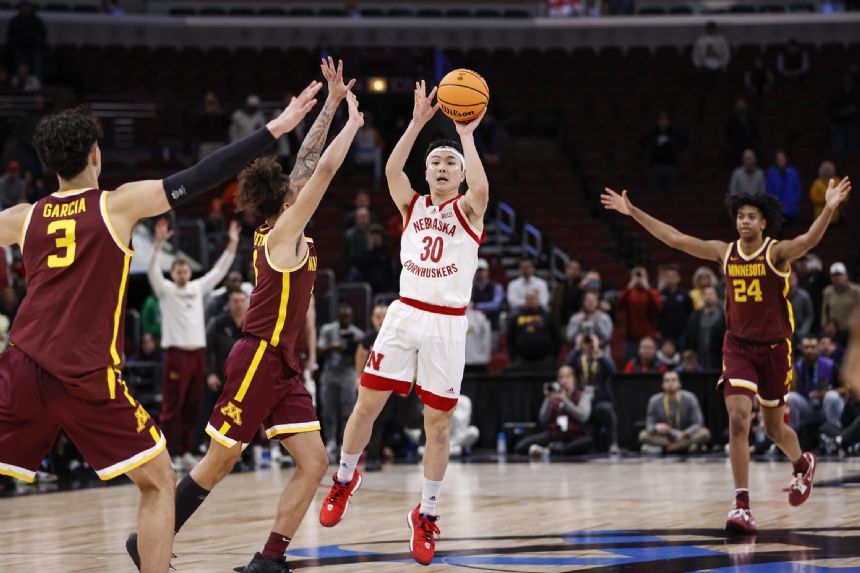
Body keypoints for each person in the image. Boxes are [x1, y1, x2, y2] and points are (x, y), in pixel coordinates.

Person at [0, 79, 319, 573]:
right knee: (159, 481)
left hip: (20, 364)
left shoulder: (24, 217)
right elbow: (202, 174)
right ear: (95, 156)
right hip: (83, 373)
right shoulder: (117, 204)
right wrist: (274, 129)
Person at [126, 68, 360, 573]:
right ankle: (147, 541)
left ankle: (269, 560)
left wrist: (333, 103)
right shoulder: (283, 235)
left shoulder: (284, 219)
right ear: (287, 199)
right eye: (294, 187)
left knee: (315, 461)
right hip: (257, 356)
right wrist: (354, 125)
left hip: (282, 365)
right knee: (220, 460)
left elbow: (307, 160)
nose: (299, 186)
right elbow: (322, 172)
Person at [602, 174, 851, 534]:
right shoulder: (725, 251)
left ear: (763, 222)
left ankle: (803, 462)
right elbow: (675, 239)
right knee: (737, 420)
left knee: (775, 429)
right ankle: (742, 506)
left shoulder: (776, 252)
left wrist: (828, 208)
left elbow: (809, 240)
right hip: (738, 347)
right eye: (740, 216)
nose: (745, 221)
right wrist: (633, 211)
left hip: (775, 350)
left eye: (751, 216)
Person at [321, 80, 490, 566]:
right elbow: (393, 169)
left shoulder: (468, 210)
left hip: (447, 325)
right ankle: (344, 478)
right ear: (427, 171)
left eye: (450, 162)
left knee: (438, 427)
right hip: (405, 313)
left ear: (459, 174)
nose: (441, 166)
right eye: (435, 161)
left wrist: (466, 136)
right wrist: (417, 124)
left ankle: (427, 513)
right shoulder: (411, 204)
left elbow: (481, 187)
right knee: (365, 405)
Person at [147, 219, 239, 469]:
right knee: (170, 408)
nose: (181, 274)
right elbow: (152, 271)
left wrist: (232, 243)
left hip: (197, 355)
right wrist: (157, 245)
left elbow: (219, 272)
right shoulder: (165, 290)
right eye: (177, 271)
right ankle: (166, 454)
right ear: (172, 274)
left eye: (185, 270)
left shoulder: (198, 288)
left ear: (189, 272)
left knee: (193, 406)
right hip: (176, 355)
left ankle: (185, 451)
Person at [514, 366, 593, 457]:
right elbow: (543, 420)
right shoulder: (553, 397)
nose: (564, 381)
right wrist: (548, 398)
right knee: (520, 447)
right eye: (561, 377)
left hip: (574, 436)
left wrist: (565, 400)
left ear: (574, 379)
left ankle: (552, 451)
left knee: (588, 441)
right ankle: (555, 450)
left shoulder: (582, 396)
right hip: (554, 435)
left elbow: (583, 417)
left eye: (568, 377)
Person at [318, 304, 364, 458]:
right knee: (328, 410)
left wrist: (352, 348)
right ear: (338, 316)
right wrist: (332, 347)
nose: (345, 319)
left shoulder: (357, 334)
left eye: (347, 317)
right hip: (330, 373)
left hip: (347, 373)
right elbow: (319, 349)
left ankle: (345, 442)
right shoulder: (328, 330)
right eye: (342, 316)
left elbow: (361, 356)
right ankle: (330, 441)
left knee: (347, 410)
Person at [564, 335, 619, 455]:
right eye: (586, 343)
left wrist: (598, 351)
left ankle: (613, 443)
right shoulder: (578, 357)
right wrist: (577, 347)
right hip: (581, 399)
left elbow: (613, 371)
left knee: (606, 409)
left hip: (599, 399)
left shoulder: (601, 357)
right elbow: (566, 366)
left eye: (590, 343)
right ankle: (586, 445)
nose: (588, 346)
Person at [639, 371, 711, 454]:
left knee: (705, 433)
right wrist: (657, 428)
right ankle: (684, 446)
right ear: (662, 384)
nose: (670, 383)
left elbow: (698, 423)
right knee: (643, 435)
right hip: (665, 437)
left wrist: (685, 433)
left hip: (684, 435)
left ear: (679, 383)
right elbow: (649, 425)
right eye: (667, 380)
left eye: (673, 380)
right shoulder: (654, 400)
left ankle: (667, 449)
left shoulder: (690, 398)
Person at [787, 336, 844, 433]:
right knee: (791, 397)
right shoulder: (797, 366)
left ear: (818, 348)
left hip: (827, 408)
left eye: (813, 347)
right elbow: (793, 391)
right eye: (806, 347)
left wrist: (825, 393)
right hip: (809, 407)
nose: (809, 351)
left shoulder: (830, 364)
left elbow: (846, 388)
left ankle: (834, 433)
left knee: (831, 397)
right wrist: (792, 367)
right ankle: (793, 434)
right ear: (801, 349)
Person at [507, 288, 561, 371]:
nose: (530, 301)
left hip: (544, 361)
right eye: (528, 298)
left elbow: (557, 338)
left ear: (538, 299)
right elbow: (510, 339)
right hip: (522, 361)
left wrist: (553, 357)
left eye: (533, 298)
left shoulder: (548, 317)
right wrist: (514, 358)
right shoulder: (516, 318)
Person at [617, 266, 662, 361]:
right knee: (630, 364)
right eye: (636, 275)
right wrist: (629, 286)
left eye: (642, 275)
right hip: (631, 337)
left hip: (649, 336)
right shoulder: (629, 292)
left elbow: (658, 307)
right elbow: (619, 305)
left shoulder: (652, 292)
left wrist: (647, 287)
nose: (639, 278)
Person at [638, 111, 689, 195]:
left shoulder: (674, 133)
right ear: (658, 121)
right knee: (654, 191)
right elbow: (641, 142)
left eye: (665, 120)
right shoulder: (652, 133)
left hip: (671, 164)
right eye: (661, 120)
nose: (663, 122)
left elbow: (685, 142)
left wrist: (678, 150)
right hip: (655, 165)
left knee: (672, 191)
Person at [680, 285, 726, 370]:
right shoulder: (695, 315)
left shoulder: (723, 315)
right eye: (706, 294)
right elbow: (688, 335)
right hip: (699, 355)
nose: (709, 296)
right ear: (703, 297)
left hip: (719, 355)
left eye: (711, 294)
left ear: (717, 296)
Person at [821, 261, 860, 343]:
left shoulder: (856, 291)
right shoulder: (828, 292)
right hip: (834, 331)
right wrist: (825, 325)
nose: (837, 278)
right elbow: (825, 311)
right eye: (834, 275)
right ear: (831, 277)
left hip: (851, 331)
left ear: (846, 275)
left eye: (840, 275)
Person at [657, 263, 693, 345]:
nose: (671, 279)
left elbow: (690, 314)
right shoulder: (659, 295)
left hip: (681, 335)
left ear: (678, 278)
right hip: (664, 335)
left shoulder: (685, 295)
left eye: (673, 277)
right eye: (668, 277)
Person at [766, 150, 801, 225]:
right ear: (776, 160)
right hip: (777, 210)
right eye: (779, 159)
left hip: (791, 208)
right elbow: (769, 191)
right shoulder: (771, 172)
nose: (781, 161)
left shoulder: (793, 172)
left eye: (782, 159)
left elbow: (797, 190)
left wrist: (794, 202)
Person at [551, 259, 584, 329]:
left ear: (579, 271)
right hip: (562, 321)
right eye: (571, 268)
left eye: (576, 269)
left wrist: (579, 288)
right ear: (566, 270)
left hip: (578, 323)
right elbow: (555, 304)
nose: (573, 271)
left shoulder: (583, 287)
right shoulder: (560, 286)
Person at [465, 301, 492, 373]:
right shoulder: (450, 318)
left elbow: (486, 338)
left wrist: (484, 356)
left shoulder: (479, 317)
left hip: (478, 362)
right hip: (459, 363)